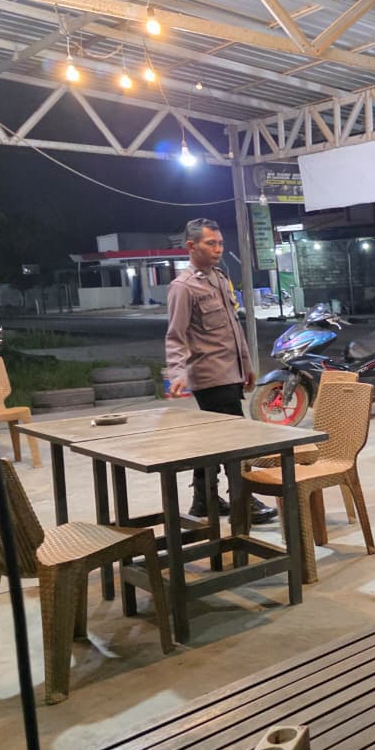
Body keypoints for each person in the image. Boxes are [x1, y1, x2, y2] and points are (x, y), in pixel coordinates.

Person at [165, 218, 275, 524]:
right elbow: (175, 335)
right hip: (210, 376)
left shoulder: (219, 278)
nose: (218, 249)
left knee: (211, 440)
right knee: (234, 440)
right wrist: (177, 373)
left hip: (231, 372)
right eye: (210, 243)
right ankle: (243, 499)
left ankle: (204, 499)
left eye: (220, 243)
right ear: (191, 246)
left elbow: (233, 329)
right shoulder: (183, 287)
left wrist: (247, 366)